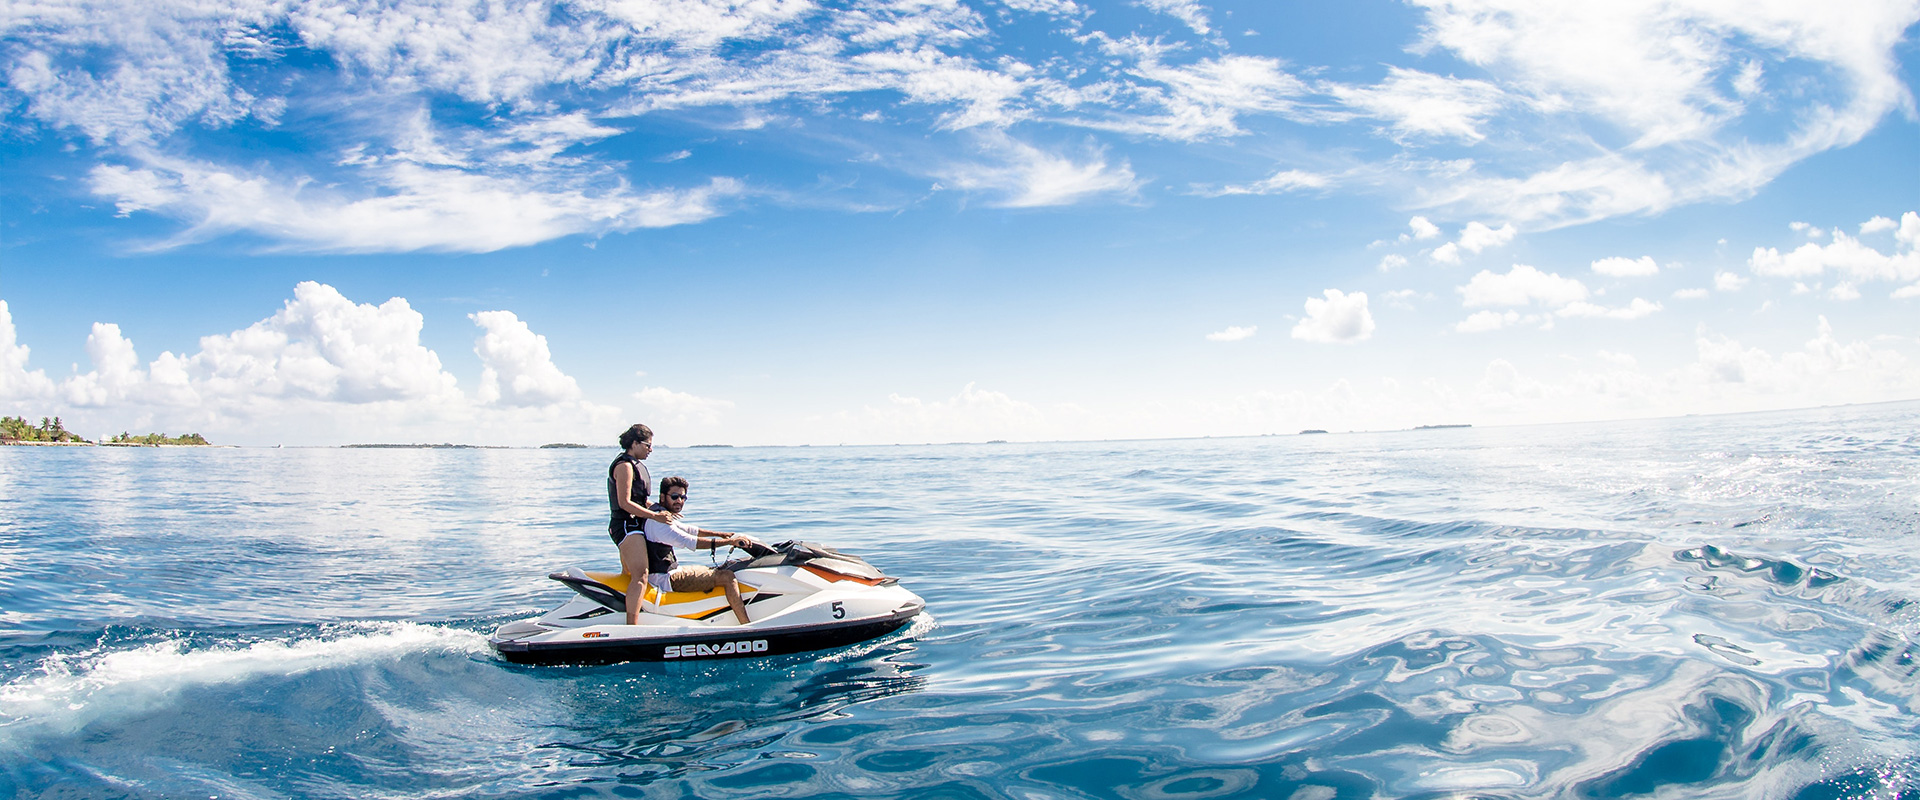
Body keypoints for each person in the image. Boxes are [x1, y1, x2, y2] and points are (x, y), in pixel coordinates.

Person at [632, 476, 758, 625]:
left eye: (683, 497)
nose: (679, 501)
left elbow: (688, 529)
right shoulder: (659, 522)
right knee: (727, 576)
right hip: (664, 579)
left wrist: (721, 534)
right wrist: (728, 542)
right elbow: (689, 541)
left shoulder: (660, 514)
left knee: (723, 567)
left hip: (668, 572)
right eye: (674, 496)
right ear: (662, 497)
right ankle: (746, 625)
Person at [608, 424, 680, 623]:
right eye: (647, 445)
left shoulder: (637, 465)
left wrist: (662, 510)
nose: (651, 449)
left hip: (634, 525)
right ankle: (632, 625)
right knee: (641, 574)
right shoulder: (624, 466)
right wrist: (654, 516)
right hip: (625, 526)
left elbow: (640, 500)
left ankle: (627, 610)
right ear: (634, 443)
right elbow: (625, 503)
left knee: (630, 574)